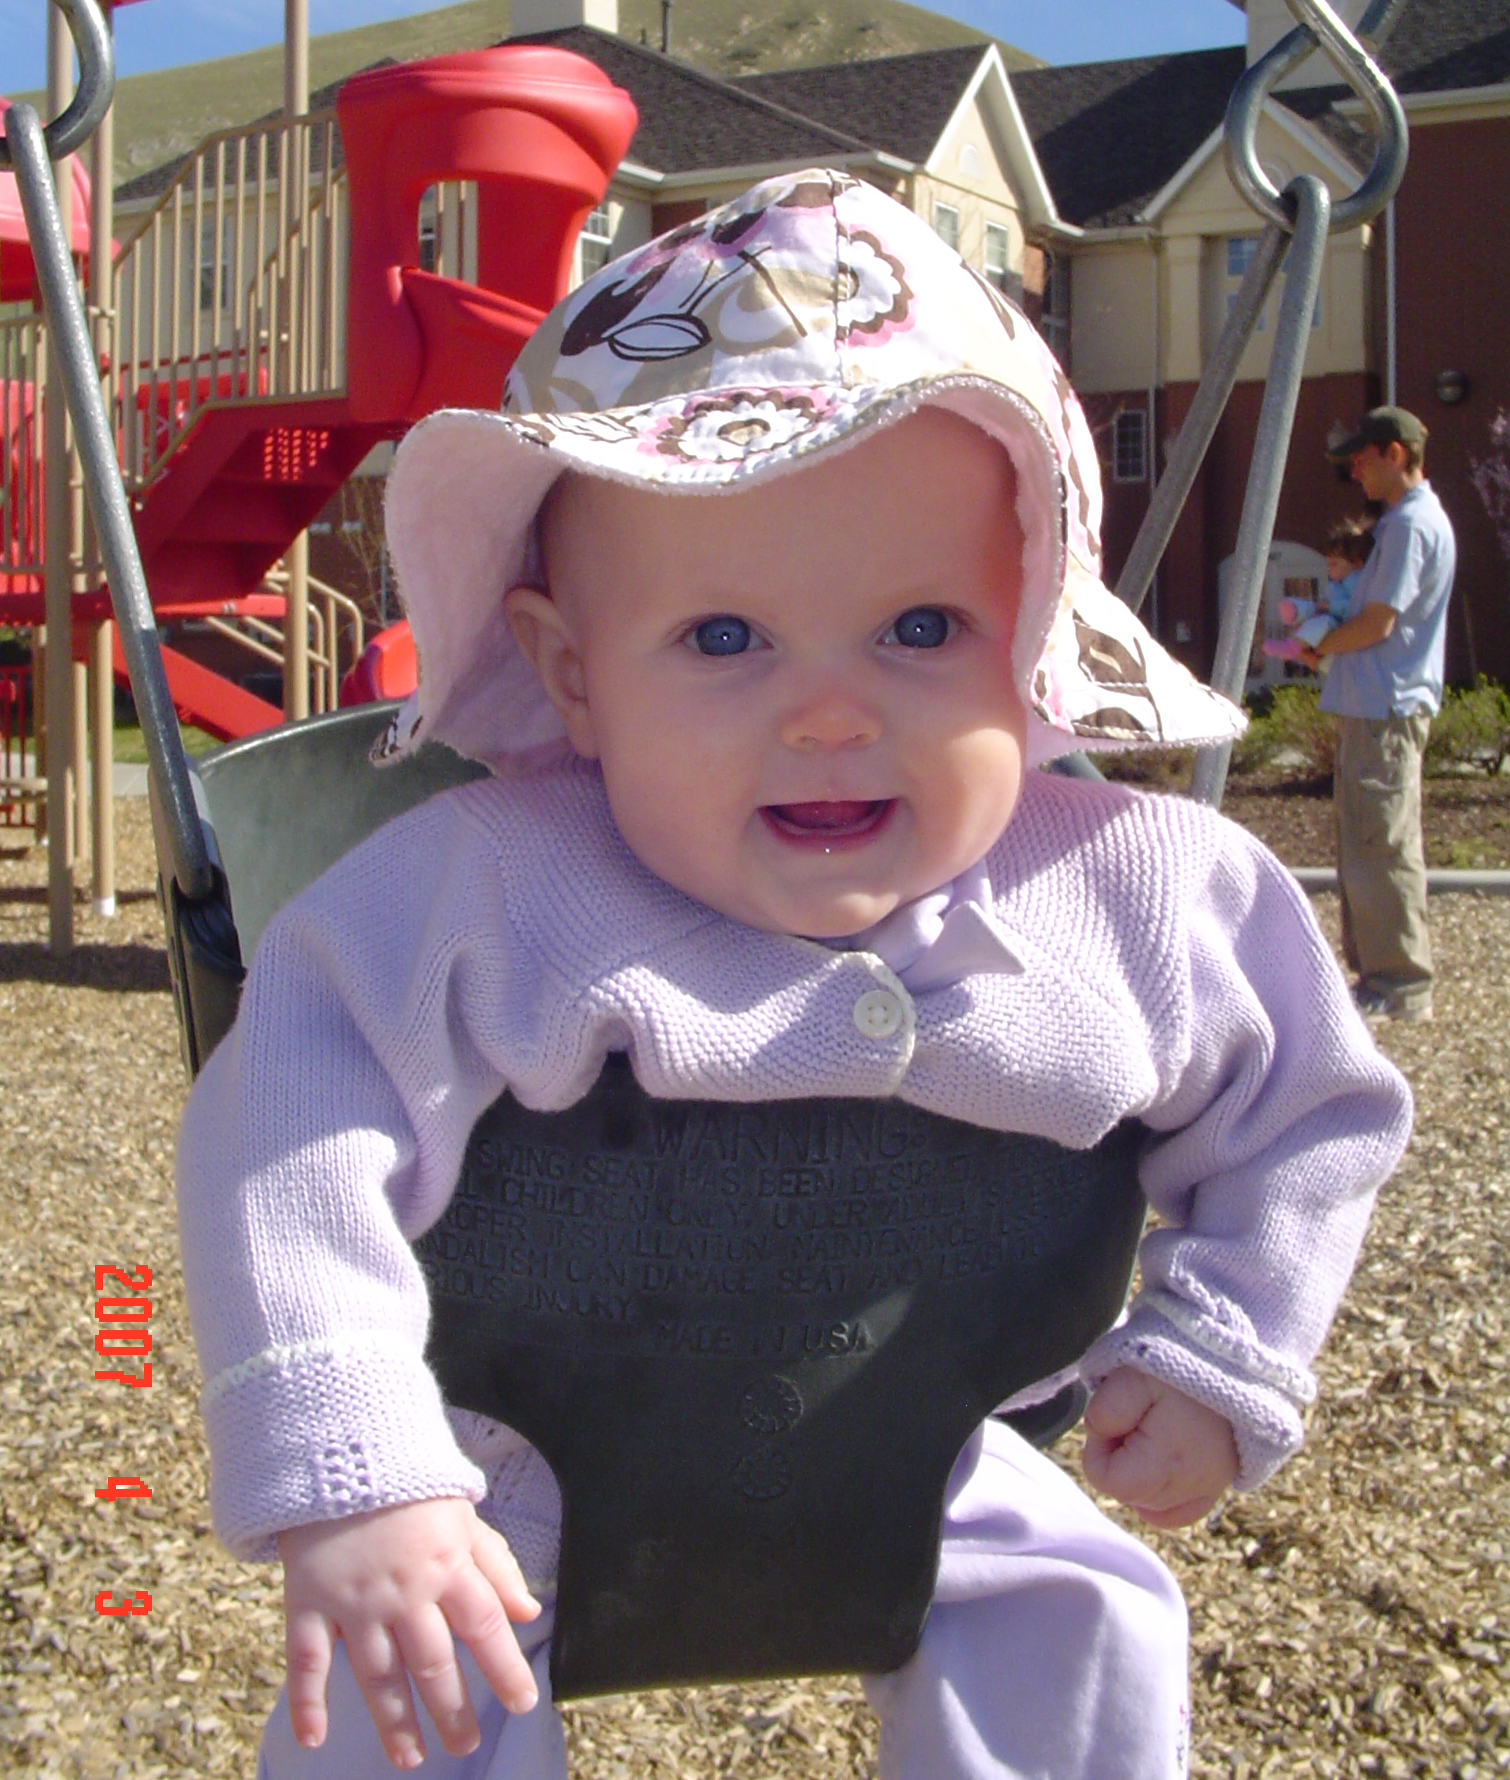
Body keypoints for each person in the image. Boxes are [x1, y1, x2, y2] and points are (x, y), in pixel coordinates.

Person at [176, 170, 1412, 1780]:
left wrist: (1225, 1345)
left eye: (921, 628)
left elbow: (1310, 1108)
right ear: (571, 674)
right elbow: (285, 1125)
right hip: (508, 1472)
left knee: (1092, 1610)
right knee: (405, 1675)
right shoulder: (483, 885)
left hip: (933, 1442)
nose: (831, 713)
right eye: (723, 639)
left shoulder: (1142, 887)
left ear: (1036, 632)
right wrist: (358, 1464)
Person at [1301, 406, 1457, 1023]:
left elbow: (1377, 622)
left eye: (1363, 459)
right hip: (1378, 706)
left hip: (1386, 708)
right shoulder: (1399, 524)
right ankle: (1378, 977)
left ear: (1397, 454)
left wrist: (1321, 647)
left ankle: (1399, 985)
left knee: (1382, 845)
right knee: (1370, 844)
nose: (1354, 471)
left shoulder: (1411, 526)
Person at [1262, 517, 1374, 662]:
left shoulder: (1356, 582)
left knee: (1322, 623)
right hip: (1330, 616)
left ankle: (1294, 646)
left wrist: (1330, 607)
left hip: (1341, 623)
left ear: (1357, 563)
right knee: (1314, 612)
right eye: (1328, 564)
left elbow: (1355, 606)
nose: (1329, 569)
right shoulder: (1338, 583)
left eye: (1335, 564)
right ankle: (1294, 610)